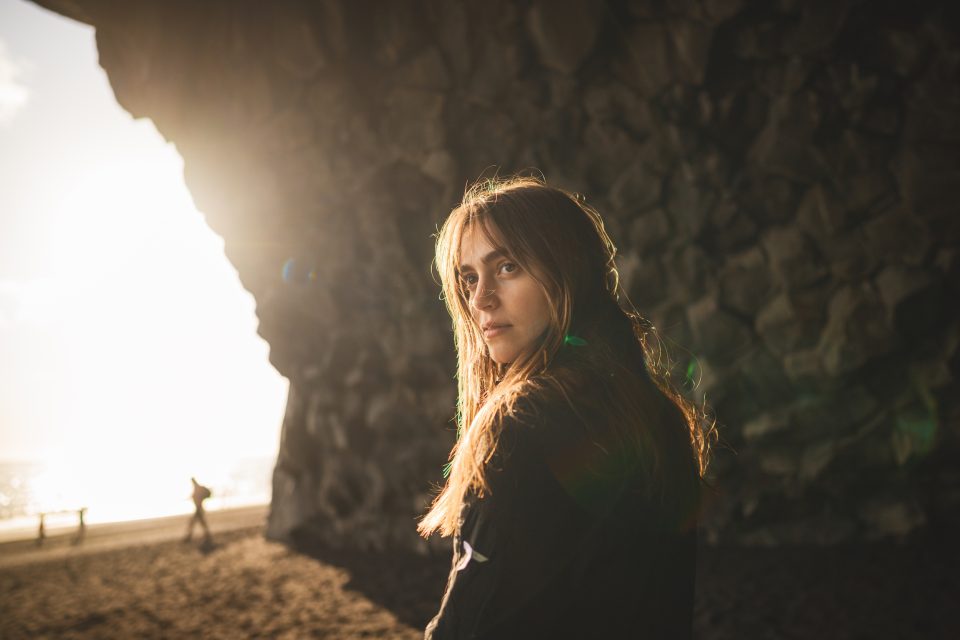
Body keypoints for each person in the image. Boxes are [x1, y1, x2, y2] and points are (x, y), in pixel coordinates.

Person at [419, 176, 712, 639]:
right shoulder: (660, 418)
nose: (480, 299)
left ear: (565, 271)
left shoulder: (519, 423)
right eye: (469, 278)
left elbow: (471, 626)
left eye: (508, 266)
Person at [184, 477, 213, 544]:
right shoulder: (198, 488)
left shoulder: (198, 489)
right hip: (198, 509)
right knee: (198, 523)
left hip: (199, 509)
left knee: (195, 523)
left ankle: (189, 537)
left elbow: (197, 497)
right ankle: (206, 535)